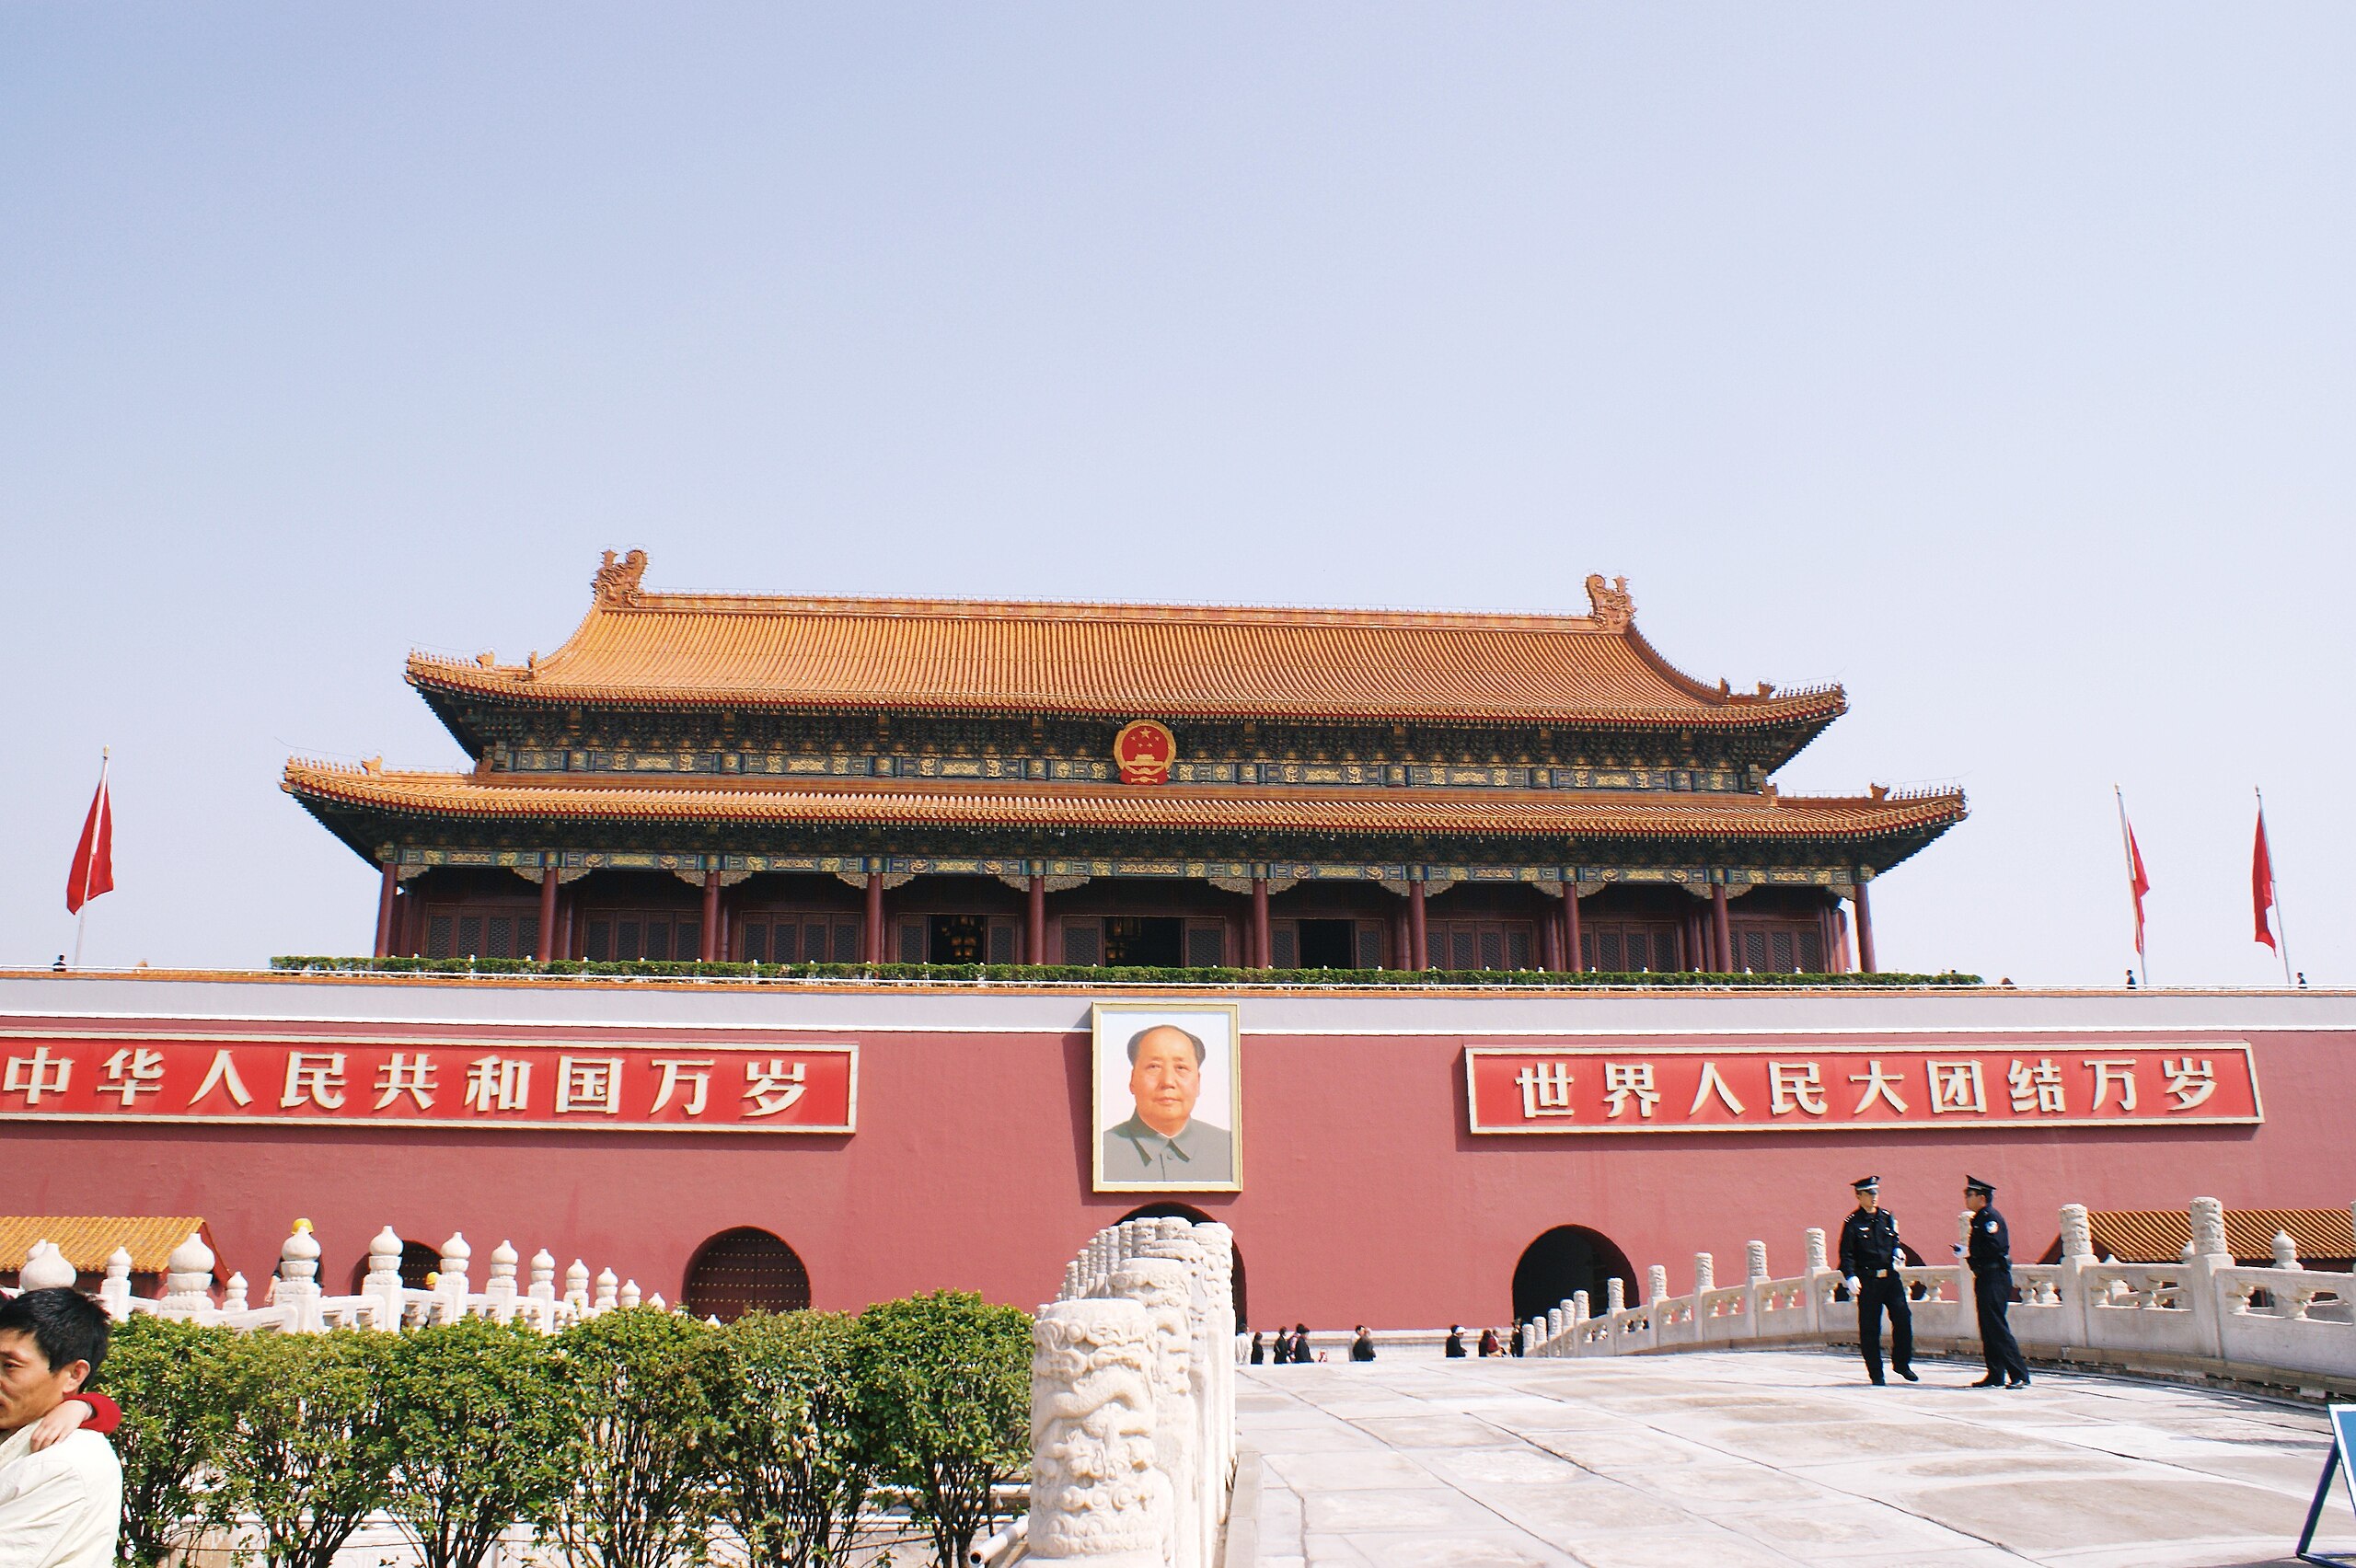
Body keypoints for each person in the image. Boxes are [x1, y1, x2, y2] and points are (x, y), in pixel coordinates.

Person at [0, 1288, 122, 1567]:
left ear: (74, 1375)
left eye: (10, 1366)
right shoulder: (18, 1428)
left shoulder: (63, 1463)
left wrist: (88, 1406)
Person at [1100, 1024, 1235, 1185]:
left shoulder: (1231, 1150)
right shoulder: (1100, 1152)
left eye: (1181, 1067)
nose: (1168, 1081)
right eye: (1154, 1067)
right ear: (1132, 1079)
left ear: (1198, 1082)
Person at [1839, 1175, 1917, 1385]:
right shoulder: (1853, 1223)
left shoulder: (1885, 1217)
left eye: (1876, 1192)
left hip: (1890, 1278)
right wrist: (1850, 1276)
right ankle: (1876, 1373)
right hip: (1868, 1280)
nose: (1875, 1197)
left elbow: (1893, 1241)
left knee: (1903, 1318)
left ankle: (1902, 1363)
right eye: (1870, 1193)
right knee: (1870, 1328)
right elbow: (1846, 1254)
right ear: (1859, 1195)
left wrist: (1897, 1251)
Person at [1961, 1176, 2032, 1389]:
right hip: (1984, 1276)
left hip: (1995, 1277)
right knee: (1987, 1326)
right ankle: (1995, 1373)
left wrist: (1970, 1251)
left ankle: (2019, 1373)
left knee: (1997, 1326)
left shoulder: (1991, 1218)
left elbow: (1995, 1246)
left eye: (1969, 1194)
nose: (1966, 1198)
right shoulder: (1980, 1218)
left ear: (1981, 1198)